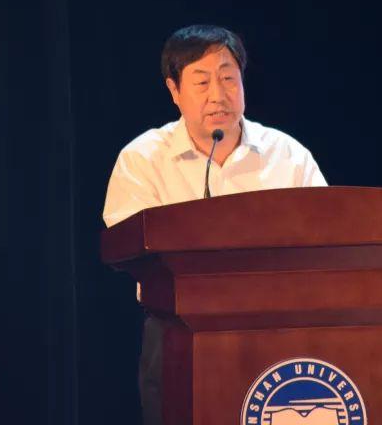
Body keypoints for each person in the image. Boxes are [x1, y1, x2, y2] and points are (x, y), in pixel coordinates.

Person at [102, 24, 328, 425]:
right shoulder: (143, 159)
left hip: (280, 331)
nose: (217, 95)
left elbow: (330, 236)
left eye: (228, 78)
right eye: (201, 82)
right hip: (177, 331)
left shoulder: (287, 156)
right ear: (174, 90)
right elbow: (127, 245)